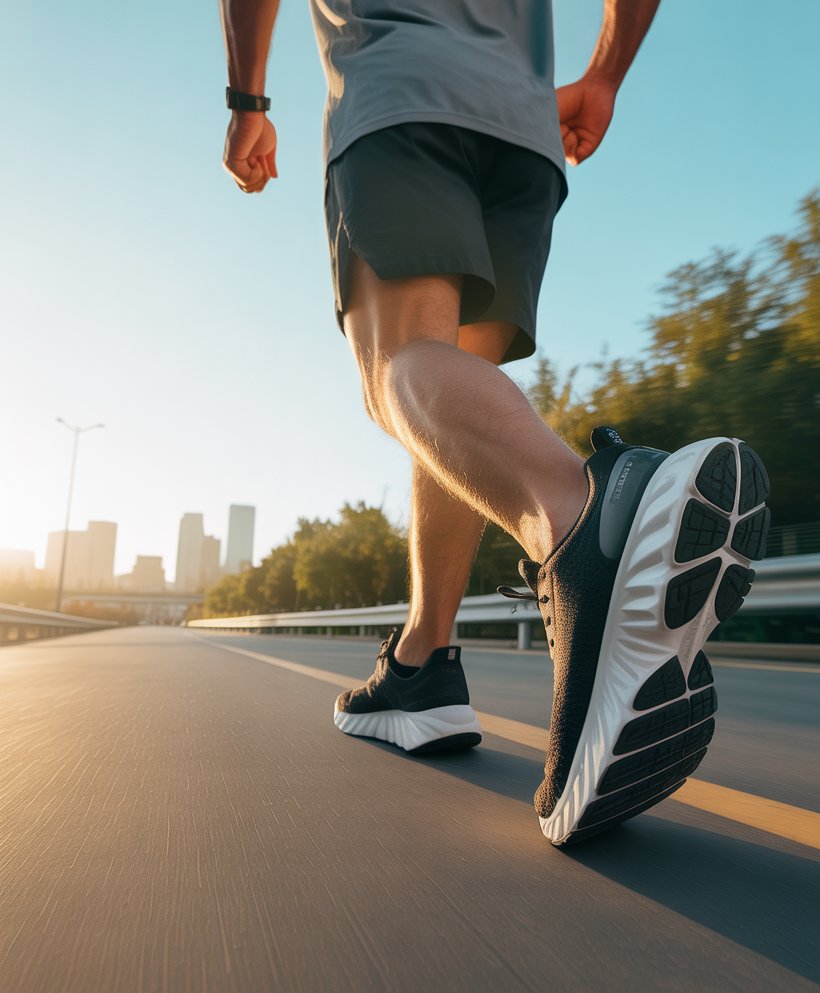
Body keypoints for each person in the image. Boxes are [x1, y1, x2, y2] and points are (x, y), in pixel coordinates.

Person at [219, 0, 770, 845]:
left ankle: (584, 526)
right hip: (523, 135)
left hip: (400, 92)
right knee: (453, 404)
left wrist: (247, 102)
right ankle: (422, 666)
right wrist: (606, 79)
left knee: (396, 372)